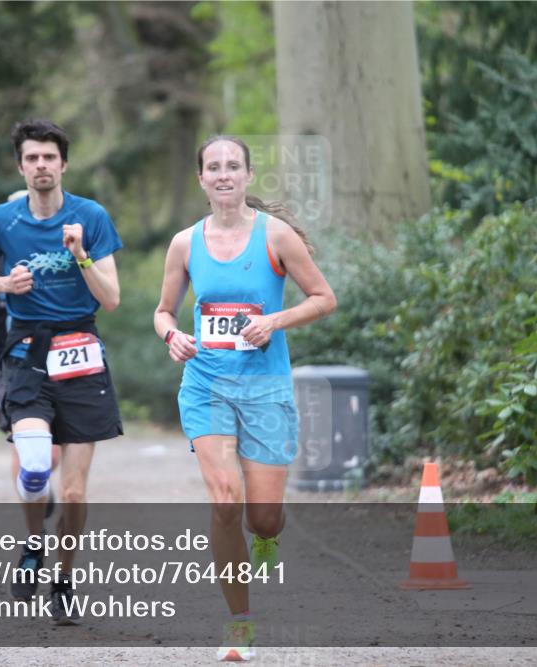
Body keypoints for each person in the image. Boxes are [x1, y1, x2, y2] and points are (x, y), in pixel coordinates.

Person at [153, 135, 337, 661]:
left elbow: (325, 298)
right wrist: (173, 336)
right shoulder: (185, 244)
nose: (225, 174)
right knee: (225, 498)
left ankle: (267, 537)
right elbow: (163, 310)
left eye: (234, 165)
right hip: (206, 384)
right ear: (202, 179)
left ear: (248, 176)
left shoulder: (276, 236)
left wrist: (273, 321)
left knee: (264, 517)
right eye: (214, 167)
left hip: (266, 388)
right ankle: (239, 623)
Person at [0, 119, 124, 625]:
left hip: (81, 347)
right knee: (36, 465)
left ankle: (64, 578)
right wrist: (1, 286)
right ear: (21, 166)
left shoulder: (92, 216)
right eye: (32, 158)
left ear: (63, 164)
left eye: (49, 158)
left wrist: (80, 255)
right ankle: (32, 544)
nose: (41, 166)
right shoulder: (0, 220)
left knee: (76, 492)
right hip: (27, 351)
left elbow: (112, 298)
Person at [0, 189, 60, 601]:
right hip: (14, 367)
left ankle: (41, 494)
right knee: (30, 462)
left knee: (51, 458)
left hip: (66, 362)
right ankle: (34, 540)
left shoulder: (63, 255)